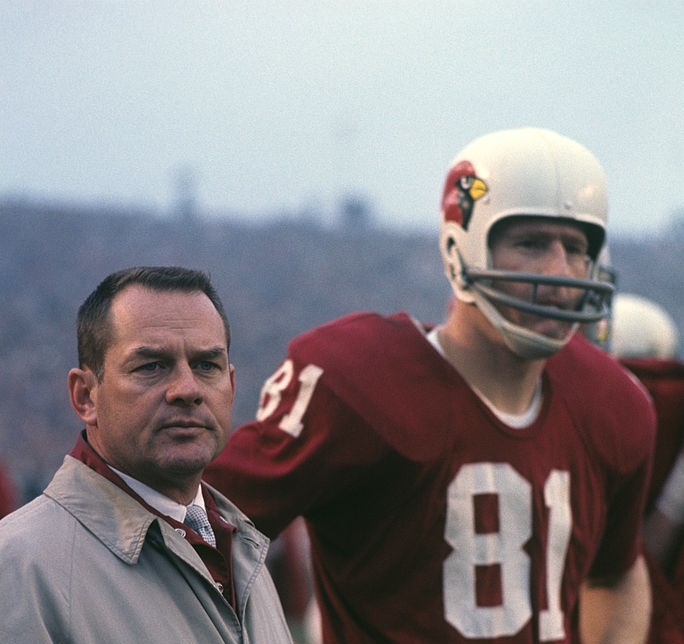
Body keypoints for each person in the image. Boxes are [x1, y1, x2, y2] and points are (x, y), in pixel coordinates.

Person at [205, 128, 656, 643]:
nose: (560, 271)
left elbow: (617, 573)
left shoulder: (611, 401)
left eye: (576, 248)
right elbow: (191, 533)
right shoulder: (362, 383)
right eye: (531, 244)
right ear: (460, 246)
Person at [0, 266, 292, 643]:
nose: (187, 389)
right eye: (152, 366)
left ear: (231, 387)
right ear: (85, 396)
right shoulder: (20, 569)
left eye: (207, 365)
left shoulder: (243, 551)